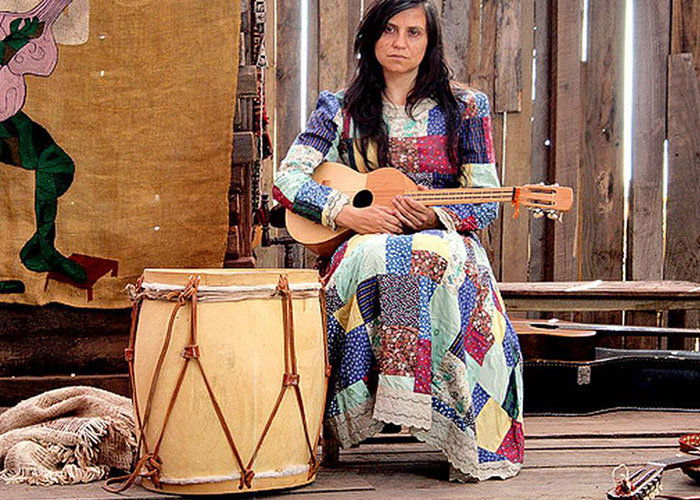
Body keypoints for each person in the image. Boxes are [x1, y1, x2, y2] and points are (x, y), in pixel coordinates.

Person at [274, 0, 523, 481]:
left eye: (413, 32)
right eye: (389, 30)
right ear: (371, 37)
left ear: (430, 43)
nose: (399, 43)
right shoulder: (339, 109)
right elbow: (288, 179)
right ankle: (377, 404)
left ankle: (450, 424)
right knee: (375, 252)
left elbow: (485, 200)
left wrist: (436, 213)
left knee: (431, 255)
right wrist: (347, 213)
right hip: (360, 236)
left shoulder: (466, 109)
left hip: (445, 240)